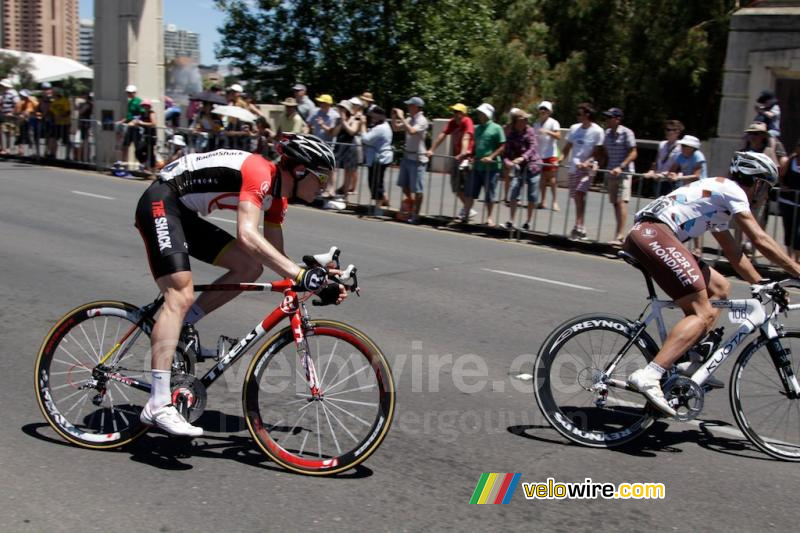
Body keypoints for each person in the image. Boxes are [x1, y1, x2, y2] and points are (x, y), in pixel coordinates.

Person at [134, 133, 345, 436]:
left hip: (183, 213)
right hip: (161, 201)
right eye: (321, 177)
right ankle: (157, 403)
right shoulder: (260, 172)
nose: (325, 185)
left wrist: (317, 277)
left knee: (250, 266)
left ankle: (183, 325)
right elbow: (247, 235)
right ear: (299, 171)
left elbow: (276, 258)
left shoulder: (278, 199)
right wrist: (300, 275)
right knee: (179, 295)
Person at [623, 152, 800, 415]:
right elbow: (760, 240)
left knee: (720, 289)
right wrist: (797, 270)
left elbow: (734, 254)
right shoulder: (732, 191)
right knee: (703, 312)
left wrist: (762, 283)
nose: (766, 196)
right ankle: (651, 374)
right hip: (653, 234)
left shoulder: (719, 196)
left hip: (653, 235)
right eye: (766, 188)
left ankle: (690, 364)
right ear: (758, 183)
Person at [561, 102, 604, 239]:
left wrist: (588, 162)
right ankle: (580, 226)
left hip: (588, 169)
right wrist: (559, 159)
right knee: (577, 197)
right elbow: (567, 148)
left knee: (580, 193)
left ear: (587, 115)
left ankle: (579, 226)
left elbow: (598, 152)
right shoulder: (574, 129)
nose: (577, 116)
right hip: (574, 167)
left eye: (580, 114)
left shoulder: (597, 131)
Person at [426, 103, 475, 221]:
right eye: (454, 112)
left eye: (458, 112)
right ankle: (468, 208)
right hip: (457, 158)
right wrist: (432, 149)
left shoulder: (467, 121)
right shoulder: (453, 122)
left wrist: (463, 153)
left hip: (467, 157)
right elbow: (442, 135)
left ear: (463, 113)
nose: (455, 114)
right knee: (455, 186)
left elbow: (466, 137)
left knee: (466, 186)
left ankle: (467, 209)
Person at [463, 103, 505, 227]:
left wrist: (491, 157)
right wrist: (472, 156)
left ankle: (489, 218)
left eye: (481, 113)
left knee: (489, 194)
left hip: (491, 167)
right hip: (477, 166)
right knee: (470, 192)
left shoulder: (496, 128)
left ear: (487, 114)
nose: (479, 115)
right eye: (479, 113)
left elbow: (502, 145)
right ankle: (465, 214)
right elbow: (476, 146)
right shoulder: (478, 129)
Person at [600, 107, 637, 244]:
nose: (606, 120)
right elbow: (604, 153)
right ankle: (618, 233)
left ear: (617, 119)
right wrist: (597, 163)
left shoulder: (627, 133)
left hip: (624, 172)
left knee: (622, 202)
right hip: (611, 172)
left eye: (609, 117)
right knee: (615, 203)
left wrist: (621, 166)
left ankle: (620, 235)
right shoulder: (607, 134)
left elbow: (633, 153)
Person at [392, 96, 429, 224]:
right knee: (404, 185)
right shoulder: (409, 119)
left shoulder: (422, 120)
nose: (408, 107)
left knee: (418, 189)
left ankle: (416, 215)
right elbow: (396, 128)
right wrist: (394, 117)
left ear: (416, 107)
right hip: (408, 156)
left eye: (410, 105)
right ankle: (411, 204)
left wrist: (402, 117)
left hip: (418, 158)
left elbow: (412, 131)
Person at [503, 109, 541, 230]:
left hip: (533, 166)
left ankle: (528, 222)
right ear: (515, 121)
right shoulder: (511, 134)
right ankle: (511, 221)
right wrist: (508, 163)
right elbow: (506, 153)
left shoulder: (529, 131)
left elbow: (533, 147)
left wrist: (522, 157)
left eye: (526, 119)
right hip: (519, 168)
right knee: (513, 192)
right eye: (522, 119)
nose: (525, 121)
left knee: (532, 196)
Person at [360, 106, 393, 213]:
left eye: (373, 116)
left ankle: (378, 209)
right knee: (377, 182)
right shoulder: (382, 125)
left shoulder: (381, 128)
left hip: (378, 159)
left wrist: (362, 125)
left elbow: (366, 139)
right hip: (378, 158)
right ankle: (384, 201)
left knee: (375, 183)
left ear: (379, 115)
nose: (372, 118)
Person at [533, 101, 561, 211]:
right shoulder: (536, 124)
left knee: (552, 178)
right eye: (541, 108)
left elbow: (558, 136)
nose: (543, 111)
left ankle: (554, 201)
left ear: (549, 111)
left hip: (551, 154)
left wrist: (547, 132)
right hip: (540, 154)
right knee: (542, 178)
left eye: (545, 109)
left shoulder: (553, 122)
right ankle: (543, 201)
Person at [645, 119, 683, 196]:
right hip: (658, 180)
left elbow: (679, 166)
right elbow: (656, 161)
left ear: (677, 132)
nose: (667, 132)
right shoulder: (662, 144)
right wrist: (652, 171)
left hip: (670, 181)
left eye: (669, 130)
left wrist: (664, 174)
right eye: (666, 129)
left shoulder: (681, 147)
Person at [332, 99, 361, 196]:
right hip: (339, 145)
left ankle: (345, 194)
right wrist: (341, 122)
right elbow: (334, 133)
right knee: (333, 168)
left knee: (348, 170)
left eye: (343, 108)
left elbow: (352, 131)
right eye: (340, 108)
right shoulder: (338, 120)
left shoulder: (355, 119)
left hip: (350, 146)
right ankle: (331, 190)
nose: (341, 110)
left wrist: (344, 121)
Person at [778, 140, 800, 260]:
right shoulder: (790, 161)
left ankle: (797, 260)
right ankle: (789, 258)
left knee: (799, 233)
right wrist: (782, 186)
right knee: (789, 230)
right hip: (787, 201)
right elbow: (781, 176)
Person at [117, 84, 143, 161]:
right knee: (125, 145)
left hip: (136, 128)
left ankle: (140, 164)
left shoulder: (138, 101)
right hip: (129, 127)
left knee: (137, 147)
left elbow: (141, 114)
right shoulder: (130, 102)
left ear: (135, 92)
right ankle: (123, 162)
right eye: (128, 92)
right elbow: (129, 116)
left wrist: (134, 121)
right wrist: (122, 121)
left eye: (131, 92)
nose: (129, 94)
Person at [134, 99, 157, 171]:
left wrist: (142, 123)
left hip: (151, 136)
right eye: (143, 106)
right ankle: (145, 164)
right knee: (138, 151)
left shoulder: (152, 113)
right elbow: (136, 121)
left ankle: (152, 169)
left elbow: (153, 123)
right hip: (145, 136)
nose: (145, 107)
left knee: (150, 153)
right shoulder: (143, 114)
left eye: (146, 106)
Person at [49, 88, 72, 159]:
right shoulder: (54, 102)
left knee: (66, 140)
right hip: (56, 123)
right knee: (53, 138)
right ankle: (52, 154)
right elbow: (51, 111)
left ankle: (68, 156)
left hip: (65, 123)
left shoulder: (65, 101)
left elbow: (68, 112)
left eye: (53, 93)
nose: (52, 95)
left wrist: (61, 116)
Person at [0, 79, 19, 155]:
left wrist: (12, 113)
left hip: (10, 116)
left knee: (10, 132)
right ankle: (5, 149)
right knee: (5, 132)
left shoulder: (13, 93)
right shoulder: (4, 93)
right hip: (5, 115)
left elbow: (17, 103)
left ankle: (9, 149)